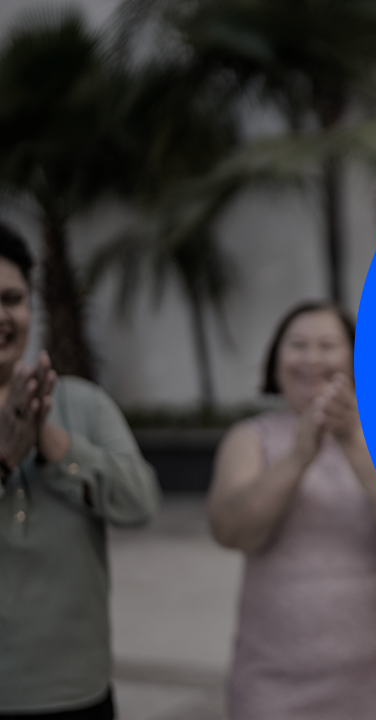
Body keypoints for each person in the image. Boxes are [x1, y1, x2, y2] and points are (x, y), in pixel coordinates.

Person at [208, 301, 376, 720]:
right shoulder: (250, 438)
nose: (311, 359)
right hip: (273, 681)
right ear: (276, 359)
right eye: (298, 345)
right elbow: (230, 531)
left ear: (354, 356)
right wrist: (298, 456)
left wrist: (353, 437)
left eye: (327, 345)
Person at [0, 223, 160, 719]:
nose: (1, 315)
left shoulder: (84, 404)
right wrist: (5, 458)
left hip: (77, 691)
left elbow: (140, 503)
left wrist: (52, 440)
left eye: (12, 298)